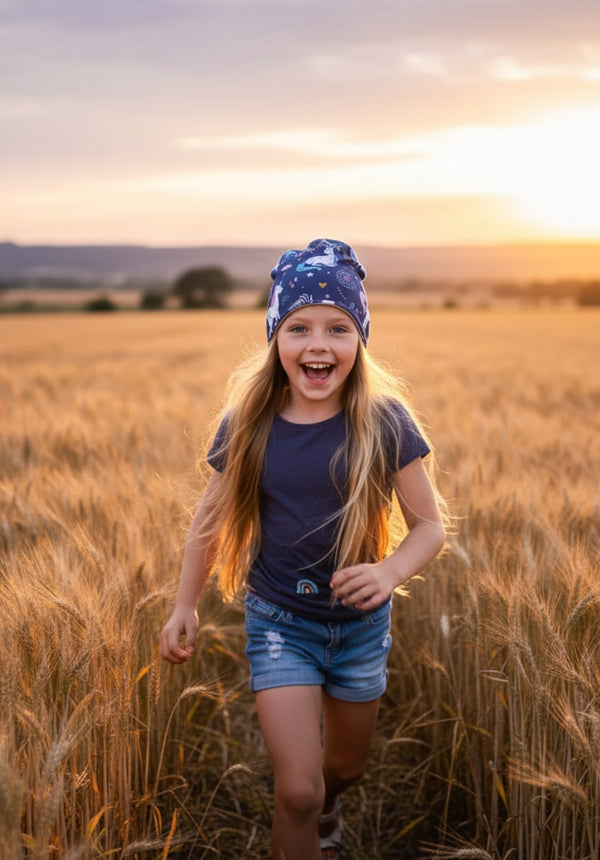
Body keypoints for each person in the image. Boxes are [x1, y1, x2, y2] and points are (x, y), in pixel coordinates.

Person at [160, 238, 446, 860]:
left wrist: (390, 572)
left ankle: (330, 805)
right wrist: (185, 604)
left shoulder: (385, 421)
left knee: (343, 770)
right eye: (299, 328)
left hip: (361, 630)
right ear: (275, 340)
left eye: (338, 328)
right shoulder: (247, 424)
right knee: (297, 792)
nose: (318, 343)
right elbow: (207, 522)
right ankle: (311, 815)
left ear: (360, 340)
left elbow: (430, 526)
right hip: (280, 623)